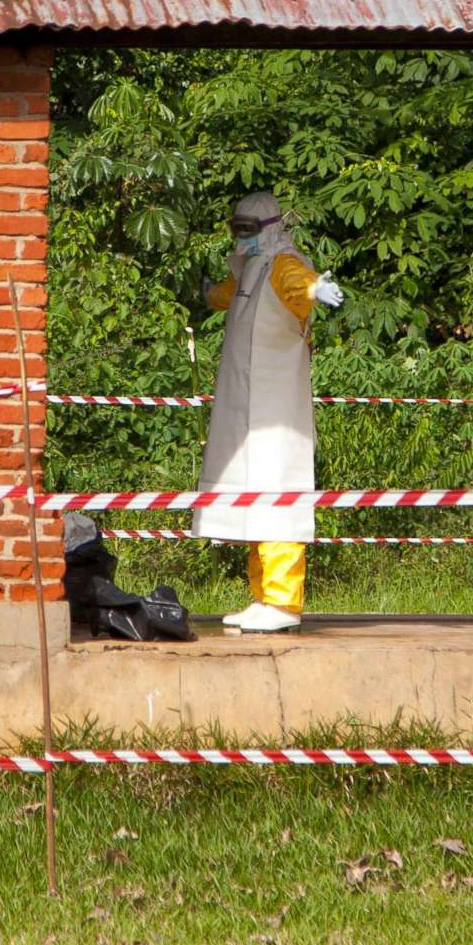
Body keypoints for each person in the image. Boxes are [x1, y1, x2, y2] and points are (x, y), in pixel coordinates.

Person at [191, 192, 343, 634]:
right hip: (246, 407)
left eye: (248, 229)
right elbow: (226, 294)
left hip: (277, 409)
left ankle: (283, 601)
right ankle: (263, 596)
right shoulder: (251, 267)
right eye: (236, 228)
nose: (241, 237)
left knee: (278, 494)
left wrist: (318, 289)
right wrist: (205, 294)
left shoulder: (282, 263)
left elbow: (300, 283)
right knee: (253, 497)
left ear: (271, 228)